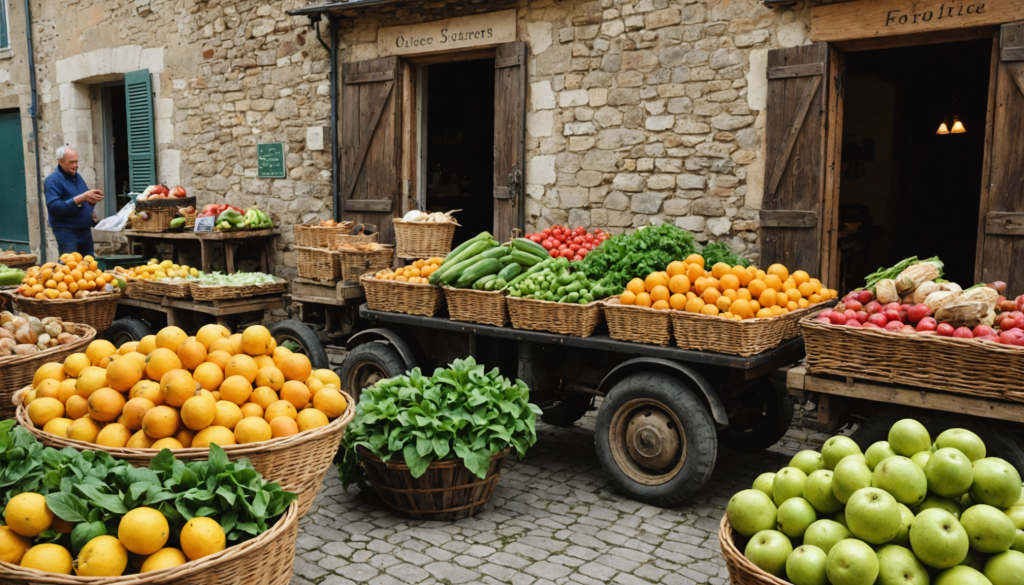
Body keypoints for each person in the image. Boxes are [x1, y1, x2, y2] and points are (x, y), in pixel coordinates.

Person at [44, 146, 103, 256]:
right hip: (67, 233)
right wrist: (82, 197)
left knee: (90, 268)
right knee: (70, 269)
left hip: (85, 231)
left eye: (76, 162)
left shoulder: (77, 177)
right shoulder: (52, 180)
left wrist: (91, 202)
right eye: (71, 162)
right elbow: (54, 207)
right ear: (61, 161)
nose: (75, 165)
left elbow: (80, 200)